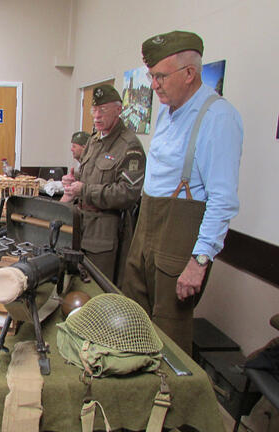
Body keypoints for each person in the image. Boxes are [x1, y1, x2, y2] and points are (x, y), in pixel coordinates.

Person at [122, 30, 243, 354]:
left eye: (160, 76)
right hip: (147, 227)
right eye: (151, 76)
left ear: (189, 73)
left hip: (177, 241)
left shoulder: (218, 117)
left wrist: (199, 261)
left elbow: (222, 200)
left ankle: (167, 401)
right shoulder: (168, 111)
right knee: (134, 320)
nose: (154, 84)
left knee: (168, 338)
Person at [61, 85, 145, 285]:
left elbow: (128, 193)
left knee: (98, 288)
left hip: (105, 232)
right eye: (94, 111)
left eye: (103, 110)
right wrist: (74, 179)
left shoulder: (129, 145)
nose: (97, 116)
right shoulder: (94, 140)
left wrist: (85, 190)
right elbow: (92, 173)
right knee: (75, 284)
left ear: (118, 110)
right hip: (81, 225)